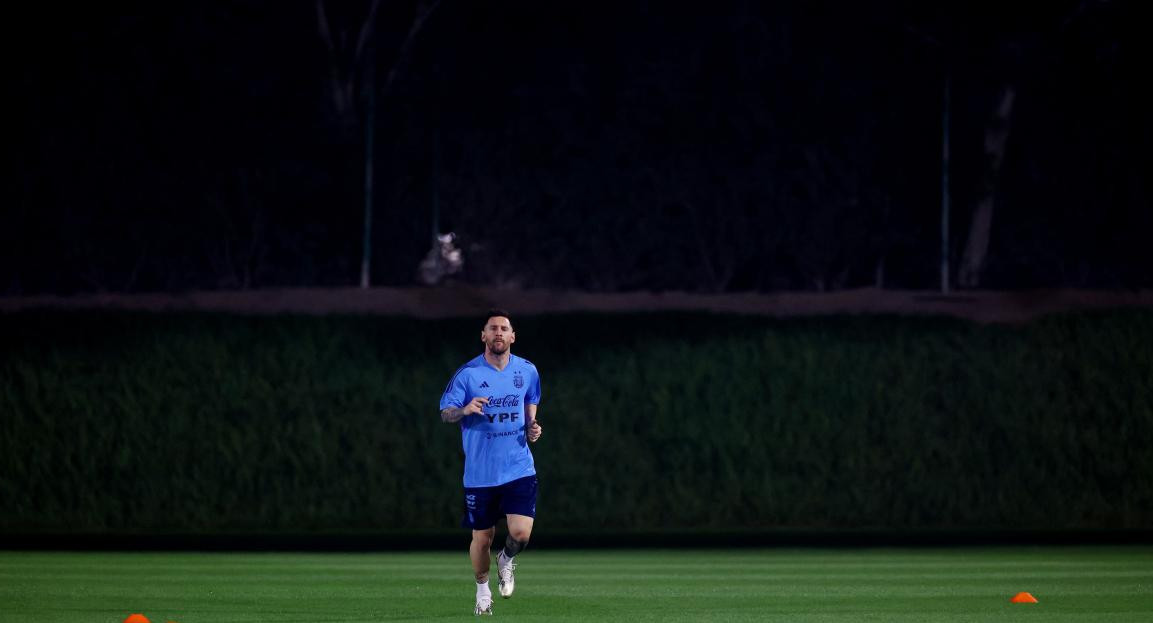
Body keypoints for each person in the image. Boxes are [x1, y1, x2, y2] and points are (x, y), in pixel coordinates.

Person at [440, 309, 543, 616]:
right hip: (481, 474)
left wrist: (532, 425)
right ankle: (482, 591)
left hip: (519, 467)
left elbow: (531, 398)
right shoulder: (468, 374)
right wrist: (465, 408)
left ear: (512, 336)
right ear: (483, 336)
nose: (499, 333)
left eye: (504, 328)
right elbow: (446, 412)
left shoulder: (527, 370)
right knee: (482, 539)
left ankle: (507, 559)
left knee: (521, 534)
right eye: (492, 328)